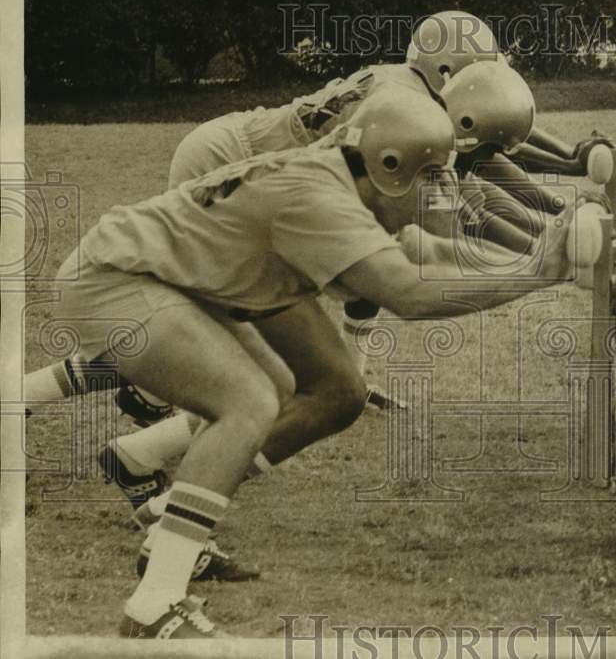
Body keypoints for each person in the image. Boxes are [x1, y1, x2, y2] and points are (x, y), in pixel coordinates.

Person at [50, 85, 576, 638]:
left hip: (189, 276)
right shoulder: (319, 197)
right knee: (247, 401)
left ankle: (167, 524)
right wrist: (535, 272)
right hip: (116, 278)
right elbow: (409, 294)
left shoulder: (346, 176)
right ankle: (153, 604)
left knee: (328, 389)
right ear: (391, 166)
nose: (443, 186)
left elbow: (430, 253)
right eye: (432, 173)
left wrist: (543, 258)